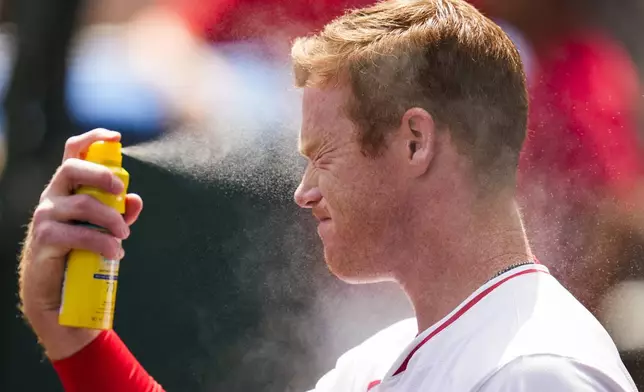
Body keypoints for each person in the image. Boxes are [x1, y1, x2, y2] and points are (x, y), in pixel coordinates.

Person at [18, 1, 637, 391]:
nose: (303, 191)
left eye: (324, 156)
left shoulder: (535, 372)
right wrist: (79, 340)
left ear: (415, 142)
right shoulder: (380, 359)